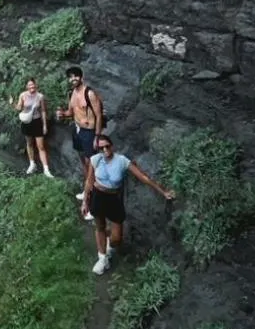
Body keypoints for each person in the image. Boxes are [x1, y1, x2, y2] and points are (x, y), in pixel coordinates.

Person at [83, 134, 175, 274]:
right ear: (98, 149)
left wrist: (163, 191)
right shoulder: (95, 160)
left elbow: (143, 177)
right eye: (101, 148)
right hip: (98, 196)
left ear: (112, 145)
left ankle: (108, 247)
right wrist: (85, 201)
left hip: (114, 198)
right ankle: (102, 259)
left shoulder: (121, 161)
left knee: (116, 238)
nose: (105, 150)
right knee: (100, 226)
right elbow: (89, 181)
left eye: (107, 146)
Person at [57, 65, 105, 219]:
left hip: (89, 133)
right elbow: (72, 112)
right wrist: (63, 114)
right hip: (77, 130)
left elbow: (98, 116)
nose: (73, 79)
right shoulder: (73, 93)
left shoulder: (89, 93)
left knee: (92, 168)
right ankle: (87, 190)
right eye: (70, 77)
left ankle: (91, 205)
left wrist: (97, 136)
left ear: (81, 77)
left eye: (75, 76)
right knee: (85, 164)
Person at [14, 78, 53, 176]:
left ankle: (46, 169)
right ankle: (32, 164)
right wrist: (12, 103)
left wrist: (44, 125)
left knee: (41, 146)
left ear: (36, 85)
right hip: (26, 122)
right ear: (27, 86)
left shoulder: (40, 97)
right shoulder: (23, 95)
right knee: (29, 144)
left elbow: (43, 111)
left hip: (37, 122)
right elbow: (19, 108)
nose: (31, 86)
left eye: (33, 84)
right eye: (29, 85)